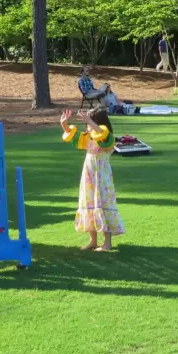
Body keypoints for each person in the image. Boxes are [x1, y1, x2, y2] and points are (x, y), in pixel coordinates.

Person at [61, 107, 123, 252]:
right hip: (89, 174)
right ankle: (93, 241)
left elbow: (102, 134)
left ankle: (107, 243)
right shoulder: (88, 137)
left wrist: (90, 121)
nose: (87, 126)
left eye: (89, 123)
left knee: (102, 202)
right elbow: (73, 136)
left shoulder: (108, 138)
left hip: (102, 175)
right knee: (89, 202)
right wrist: (64, 124)